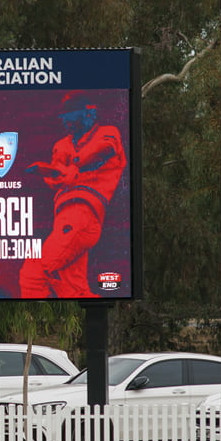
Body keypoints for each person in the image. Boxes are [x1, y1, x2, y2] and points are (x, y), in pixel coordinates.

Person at [20, 92, 128, 297]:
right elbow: (58, 175)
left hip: (83, 214)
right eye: (62, 114)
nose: (64, 119)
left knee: (34, 271)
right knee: (75, 291)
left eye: (69, 113)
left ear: (89, 113)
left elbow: (103, 149)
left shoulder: (107, 132)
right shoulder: (62, 144)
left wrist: (74, 165)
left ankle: (37, 321)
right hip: (64, 217)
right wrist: (53, 174)